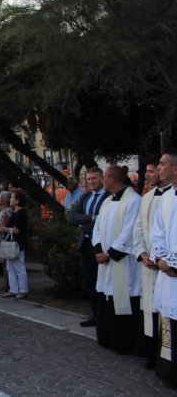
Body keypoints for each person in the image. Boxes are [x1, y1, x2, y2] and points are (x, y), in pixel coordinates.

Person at [92, 165, 141, 355]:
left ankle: (124, 343)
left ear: (112, 180)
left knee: (123, 299)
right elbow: (97, 228)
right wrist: (98, 250)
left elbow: (129, 232)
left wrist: (110, 254)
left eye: (104, 177)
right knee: (106, 296)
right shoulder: (107, 201)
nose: (102, 180)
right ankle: (107, 338)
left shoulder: (133, 201)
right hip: (105, 262)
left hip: (123, 262)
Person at [133, 155, 173, 368]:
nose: (147, 175)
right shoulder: (147, 197)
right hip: (150, 264)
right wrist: (142, 253)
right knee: (151, 311)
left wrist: (163, 259)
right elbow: (139, 228)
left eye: (152, 170)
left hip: (168, 266)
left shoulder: (172, 197)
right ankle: (154, 357)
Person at [150, 151, 177, 384]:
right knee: (169, 321)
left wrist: (173, 262)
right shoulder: (167, 198)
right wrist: (161, 258)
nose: (159, 167)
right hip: (167, 272)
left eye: (162, 164)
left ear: (175, 169)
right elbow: (157, 231)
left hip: (174, 268)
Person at [69, 166, 108, 327]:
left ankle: (104, 316)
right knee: (89, 281)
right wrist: (91, 218)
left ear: (102, 178)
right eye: (89, 178)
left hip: (100, 245)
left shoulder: (108, 197)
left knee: (103, 282)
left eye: (95, 178)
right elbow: (73, 216)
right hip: (85, 244)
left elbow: (102, 222)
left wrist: (85, 222)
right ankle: (95, 315)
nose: (91, 181)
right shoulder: (85, 197)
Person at [0, 190, 29, 299]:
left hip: (18, 243)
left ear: (18, 200)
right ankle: (13, 289)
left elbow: (17, 230)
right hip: (13, 243)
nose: (10, 199)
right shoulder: (15, 212)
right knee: (10, 267)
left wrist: (4, 228)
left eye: (12, 197)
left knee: (19, 267)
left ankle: (23, 290)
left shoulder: (21, 213)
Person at [0, 191, 13, 294]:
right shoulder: (4, 210)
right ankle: (6, 285)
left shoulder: (6, 212)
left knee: (5, 264)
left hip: (3, 241)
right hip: (0, 240)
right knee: (4, 265)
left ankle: (6, 286)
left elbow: (3, 228)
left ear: (5, 200)